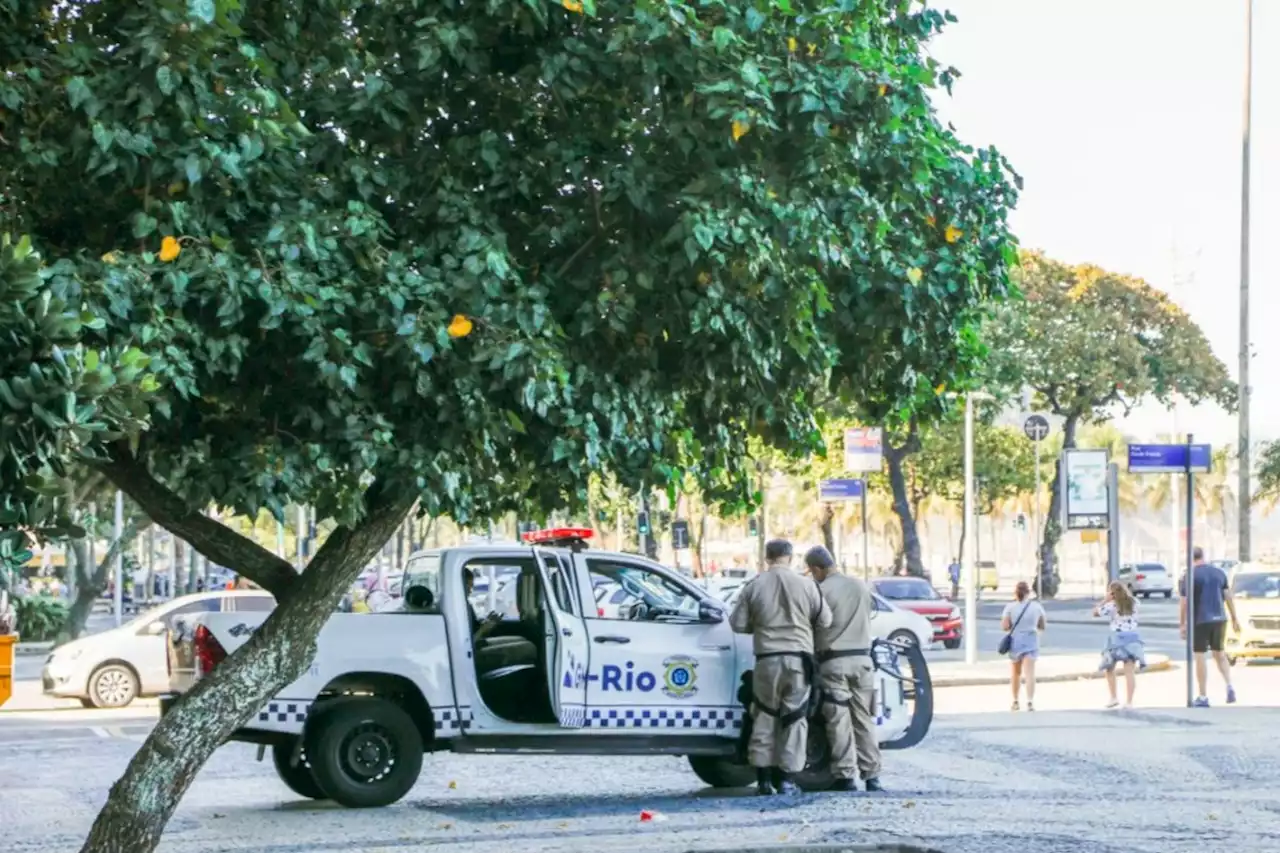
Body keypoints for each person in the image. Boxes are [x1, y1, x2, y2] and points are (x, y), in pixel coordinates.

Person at [730, 539, 832, 796]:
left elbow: (738, 624)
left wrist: (762, 625)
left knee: (764, 715)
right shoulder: (807, 585)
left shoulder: (754, 586)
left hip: (767, 661)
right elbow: (825, 620)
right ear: (790, 557)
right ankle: (787, 779)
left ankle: (764, 780)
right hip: (799, 661)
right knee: (795, 718)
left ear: (767, 558)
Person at [805, 545, 883, 793]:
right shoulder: (861, 586)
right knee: (864, 719)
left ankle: (846, 776)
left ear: (817, 568)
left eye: (811, 571)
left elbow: (813, 626)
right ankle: (872, 776)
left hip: (834, 663)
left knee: (838, 721)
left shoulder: (821, 591)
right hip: (863, 663)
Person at [1178, 547, 1240, 707]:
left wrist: (1182, 624)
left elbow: (1184, 602)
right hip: (1220, 618)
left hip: (1200, 620)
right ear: (1203, 556)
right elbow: (1228, 597)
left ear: (1190, 558)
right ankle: (1229, 685)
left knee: (1200, 656)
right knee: (1219, 654)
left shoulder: (1189, 575)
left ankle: (1203, 696)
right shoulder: (1219, 573)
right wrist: (1234, 618)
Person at [1094, 581, 1146, 709]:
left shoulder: (1111, 605)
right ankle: (1129, 702)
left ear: (1112, 593)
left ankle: (1113, 697)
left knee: (1109, 668)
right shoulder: (1134, 602)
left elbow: (1095, 613)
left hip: (1116, 641)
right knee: (1129, 672)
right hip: (1132, 640)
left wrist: (1104, 600)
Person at [1001, 581, 1046, 711]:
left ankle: (1015, 701)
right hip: (1031, 640)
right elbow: (1042, 625)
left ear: (1015, 593)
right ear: (1028, 593)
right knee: (1030, 673)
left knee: (1016, 673)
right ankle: (1030, 701)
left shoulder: (1009, 607)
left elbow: (1005, 626)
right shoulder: (1036, 607)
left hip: (1016, 641)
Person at [462, 568, 501, 643]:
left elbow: (474, 628)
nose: (471, 591)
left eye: (471, 586)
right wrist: (483, 629)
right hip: (474, 649)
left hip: (479, 642)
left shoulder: (466, 604)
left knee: (521, 640)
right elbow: (468, 643)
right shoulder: (456, 610)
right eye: (468, 587)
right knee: (527, 646)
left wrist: (487, 622)